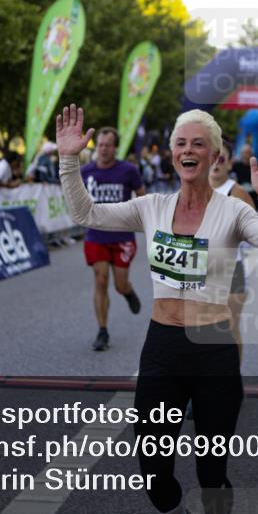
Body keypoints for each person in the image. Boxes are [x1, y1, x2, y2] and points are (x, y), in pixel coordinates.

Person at [57, 104, 258, 514]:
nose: (188, 150)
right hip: (163, 346)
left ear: (214, 155)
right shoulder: (152, 207)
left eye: (198, 144)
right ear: (172, 156)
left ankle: (215, 489)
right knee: (152, 468)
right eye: (181, 144)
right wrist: (70, 160)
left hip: (213, 347)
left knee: (211, 475)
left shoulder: (234, 212)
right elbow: (86, 214)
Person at [80, 127, 146, 351]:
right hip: (96, 235)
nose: (104, 149)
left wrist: (142, 218)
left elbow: (142, 196)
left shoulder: (128, 170)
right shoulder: (86, 171)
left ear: (115, 147)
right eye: (100, 145)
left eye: (108, 145)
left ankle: (127, 291)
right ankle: (102, 331)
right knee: (100, 281)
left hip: (122, 236)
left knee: (118, 284)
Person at [210, 140, 257, 357]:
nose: (216, 163)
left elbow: (255, 230)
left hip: (231, 269)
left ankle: (233, 383)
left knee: (230, 326)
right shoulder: (191, 188)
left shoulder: (236, 192)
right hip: (199, 268)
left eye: (221, 158)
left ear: (229, 164)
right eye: (212, 157)